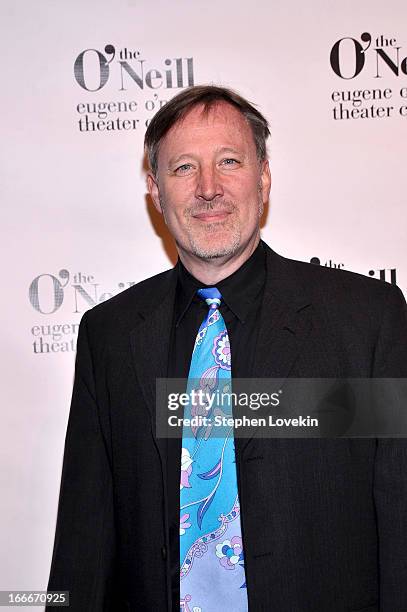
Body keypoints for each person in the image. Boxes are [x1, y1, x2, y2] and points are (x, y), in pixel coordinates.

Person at [47, 85, 407, 612]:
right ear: (155, 189)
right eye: (184, 168)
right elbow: (84, 539)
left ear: (263, 177)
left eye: (229, 161)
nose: (208, 189)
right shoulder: (109, 336)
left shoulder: (365, 321)